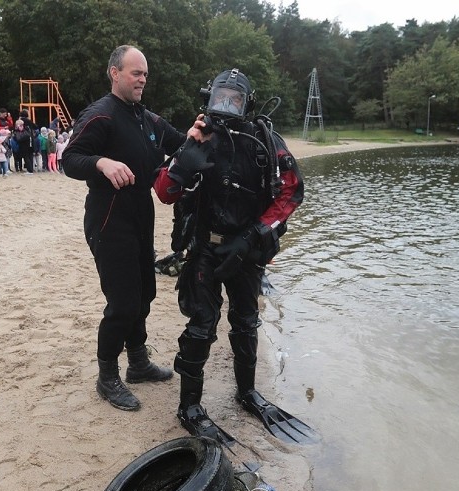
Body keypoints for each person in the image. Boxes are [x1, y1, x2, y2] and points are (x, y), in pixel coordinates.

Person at [152, 68, 310, 444]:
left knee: (246, 320)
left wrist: (256, 234)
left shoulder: (265, 142)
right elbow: (164, 191)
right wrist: (189, 152)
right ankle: (189, 407)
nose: (225, 108)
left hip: (247, 249)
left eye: (233, 101)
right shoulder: (201, 139)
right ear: (208, 99)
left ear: (248, 104)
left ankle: (247, 392)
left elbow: (292, 191)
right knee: (201, 326)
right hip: (205, 247)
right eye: (219, 99)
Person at [63, 44, 186, 411]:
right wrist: (101, 162)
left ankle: (138, 363)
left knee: (145, 292)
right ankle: (107, 376)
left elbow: (180, 143)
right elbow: (69, 159)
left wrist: (202, 131)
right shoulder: (101, 115)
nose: (142, 79)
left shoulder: (146, 119)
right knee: (123, 302)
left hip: (140, 217)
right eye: (136, 73)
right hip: (108, 219)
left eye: (145, 74)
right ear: (115, 73)